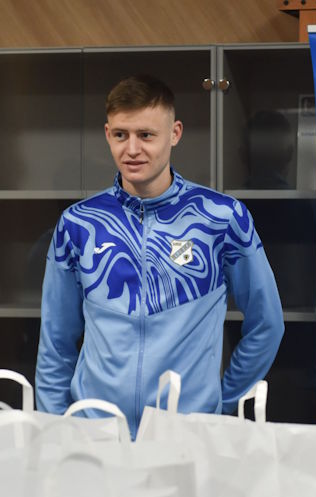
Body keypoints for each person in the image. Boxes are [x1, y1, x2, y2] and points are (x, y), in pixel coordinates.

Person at [35, 75, 284, 436]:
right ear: (107, 134)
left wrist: (219, 404)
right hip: (96, 435)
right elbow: (56, 341)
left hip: (184, 437)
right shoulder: (79, 223)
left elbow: (267, 324)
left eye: (146, 135)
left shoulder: (220, 217)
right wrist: (56, 427)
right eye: (121, 135)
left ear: (175, 133)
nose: (132, 149)